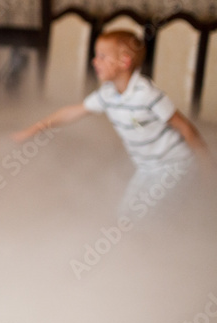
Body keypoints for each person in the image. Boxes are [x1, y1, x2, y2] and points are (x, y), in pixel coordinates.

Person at [13, 29, 209, 217]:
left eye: (102, 56)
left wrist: (207, 165)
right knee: (124, 216)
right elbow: (72, 112)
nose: (94, 61)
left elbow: (184, 126)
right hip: (146, 167)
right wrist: (32, 131)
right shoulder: (107, 94)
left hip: (174, 165)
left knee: (145, 219)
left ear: (124, 61)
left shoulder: (147, 94)